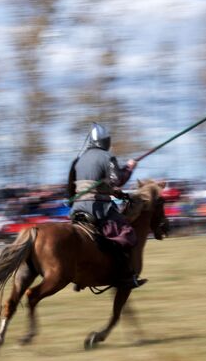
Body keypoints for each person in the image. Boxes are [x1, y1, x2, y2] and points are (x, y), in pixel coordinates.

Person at [67, 123, 147, 289]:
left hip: (77, 208)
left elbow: (101, 186)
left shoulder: (79, 160)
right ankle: (126, 276)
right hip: (99, 209)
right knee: (128, 233)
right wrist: (130, 168)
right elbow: (117, 180)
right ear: (104, 141)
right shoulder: (107, 157)